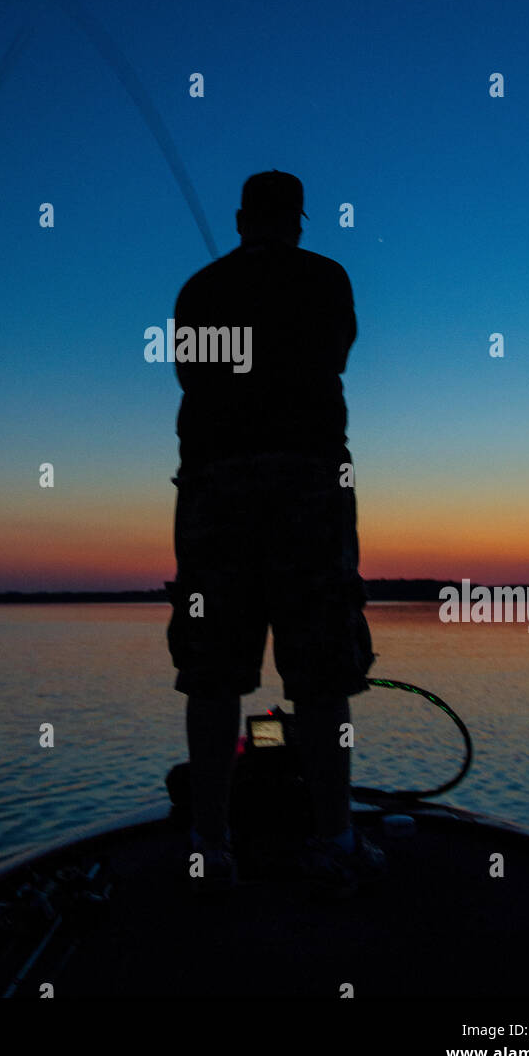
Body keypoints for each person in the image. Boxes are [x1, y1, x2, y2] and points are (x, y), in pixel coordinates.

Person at [166, 170, 386, 899]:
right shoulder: (326, 278)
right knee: (321, 671)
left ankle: (209, 844)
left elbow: (188, 373)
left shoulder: (199, 289)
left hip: (213, 489)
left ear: (238, 219)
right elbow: (335, 355)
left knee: (211, 672)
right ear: (297, 219)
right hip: (308, 485)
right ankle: (333, 838)